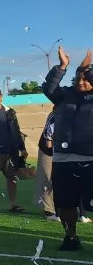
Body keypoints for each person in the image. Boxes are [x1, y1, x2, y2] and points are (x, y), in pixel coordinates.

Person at [42, 46, 93, 251]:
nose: (81, 82)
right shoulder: (64, 95)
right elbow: (49, 87)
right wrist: (62, 67)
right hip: (64, 159)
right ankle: (70, 236)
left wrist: (86, 67)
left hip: (90, 158)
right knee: (65, 203)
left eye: (86, 79)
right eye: (78, 78)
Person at [34, 108, 60, 221]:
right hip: (48, 150)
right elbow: (48, 142)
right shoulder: (54, 116)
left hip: (62, 151)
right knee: (47, 178)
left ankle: (62, 208)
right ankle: (48, 210)